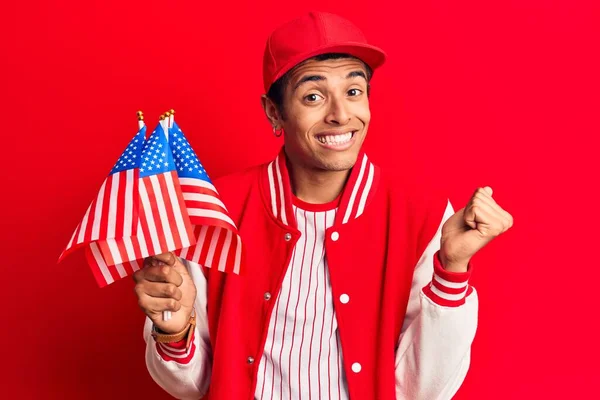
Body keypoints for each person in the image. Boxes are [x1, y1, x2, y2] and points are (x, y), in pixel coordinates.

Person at [133, 11, 513, 400]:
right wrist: (174, 330)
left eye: (353, 91)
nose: (340, 115)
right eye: (313, 96)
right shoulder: (214, 209)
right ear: (274, 112)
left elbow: (423, 392)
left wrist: (451, 270)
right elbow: (190, 386)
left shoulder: (422, 213)